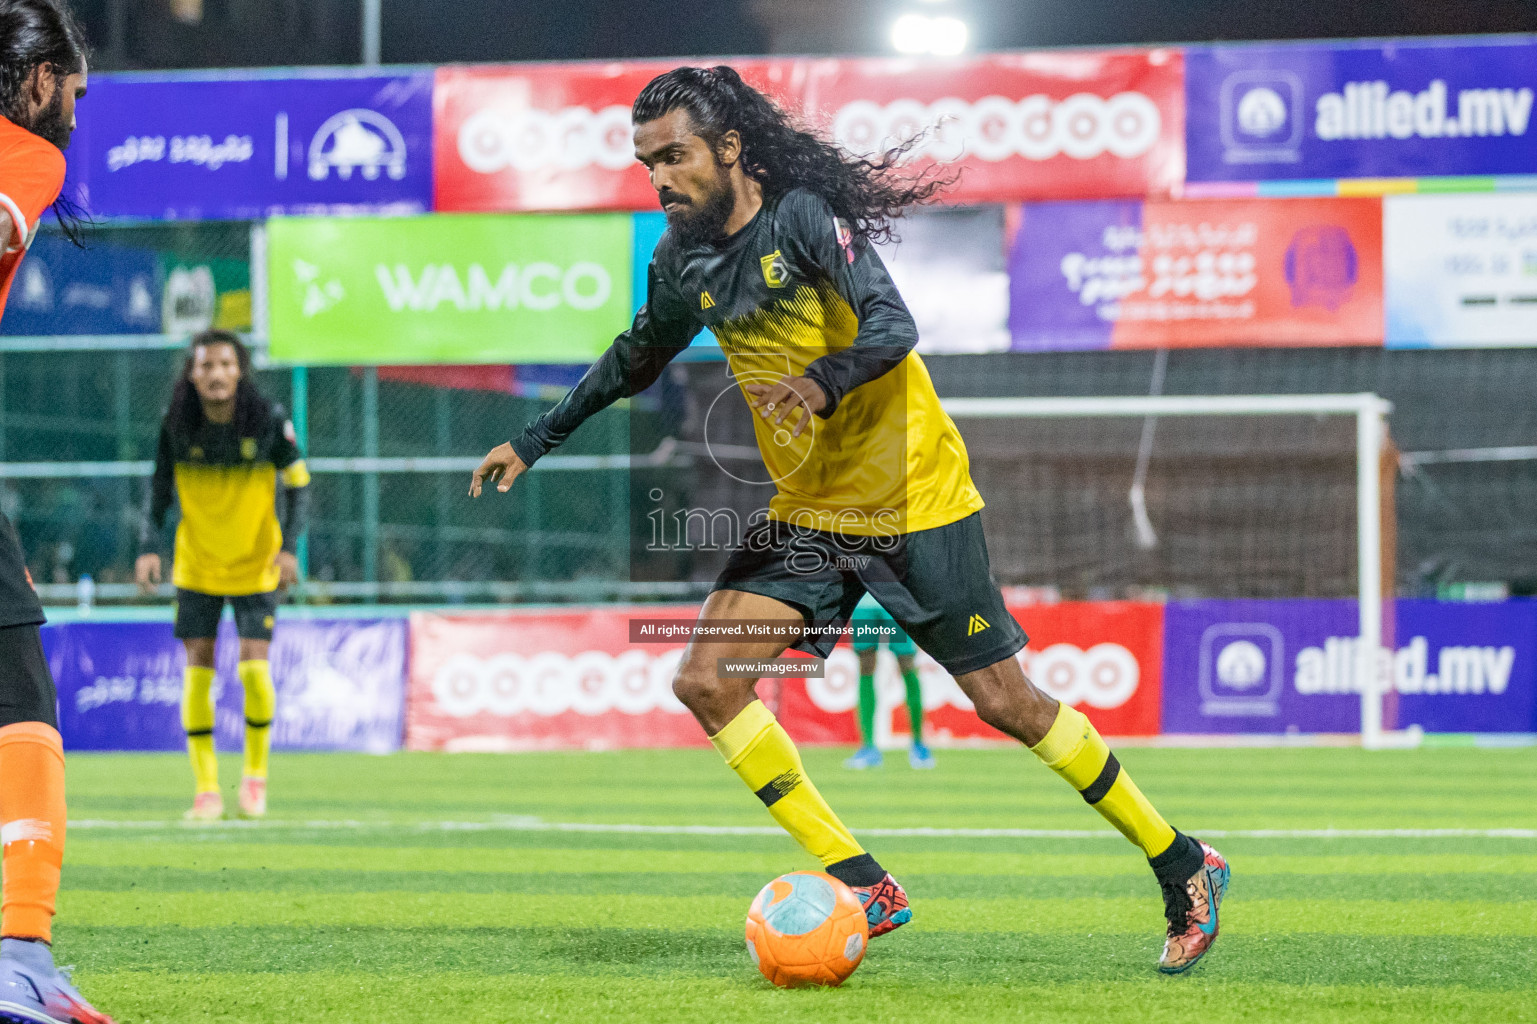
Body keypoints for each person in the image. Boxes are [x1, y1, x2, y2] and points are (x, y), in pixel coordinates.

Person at [471, 65, 1228, 972]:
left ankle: (1181, 860)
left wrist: (820, 381)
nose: (661, 180)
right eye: (646, 165)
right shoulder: (682, 258)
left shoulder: (800, 218)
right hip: (811, 514)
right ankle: (862, 883)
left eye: (674, 157)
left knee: (1005, 703)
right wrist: (536, 436)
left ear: (730, 148)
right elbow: (638, 356)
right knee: (709, 680)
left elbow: (892, 324)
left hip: (914, 497)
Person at [0, 2, 116, 1020]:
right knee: (19, 689)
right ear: (38, 79)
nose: (77, 108)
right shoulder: (23, 151)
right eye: (75, 88)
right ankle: (18, 954)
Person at [135, 330, 311, 823]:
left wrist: (290, 550)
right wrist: (150, 548)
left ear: (240, 372)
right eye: (206, 365)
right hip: (198, 566)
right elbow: (158, 490)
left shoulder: (270, 421)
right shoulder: (175, 425)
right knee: (197, 673)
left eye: (226, 365)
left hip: (257, 565)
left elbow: (301, 486)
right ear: (192, 374)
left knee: (255, 673)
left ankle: (254, 780)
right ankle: (207, 790)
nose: (216, 374)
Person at [844, 592, 934, 770]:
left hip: (896, 602)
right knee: (865, 668)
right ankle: (868, 746)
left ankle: (919, 744)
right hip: (863, 603)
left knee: (907, 664)